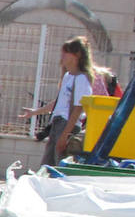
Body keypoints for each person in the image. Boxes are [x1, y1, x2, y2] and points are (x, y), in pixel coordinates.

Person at [20, 35, 95, 168]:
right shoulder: (68, 76)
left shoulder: (82, 79)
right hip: (57, 124)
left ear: (77, 55)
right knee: (47, 167)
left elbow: (78, 109)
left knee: (60, 166)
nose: (63, 56)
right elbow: (59, 103)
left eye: (66, 52)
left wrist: (65, 135)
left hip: (67, 126)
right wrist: (35, 112)